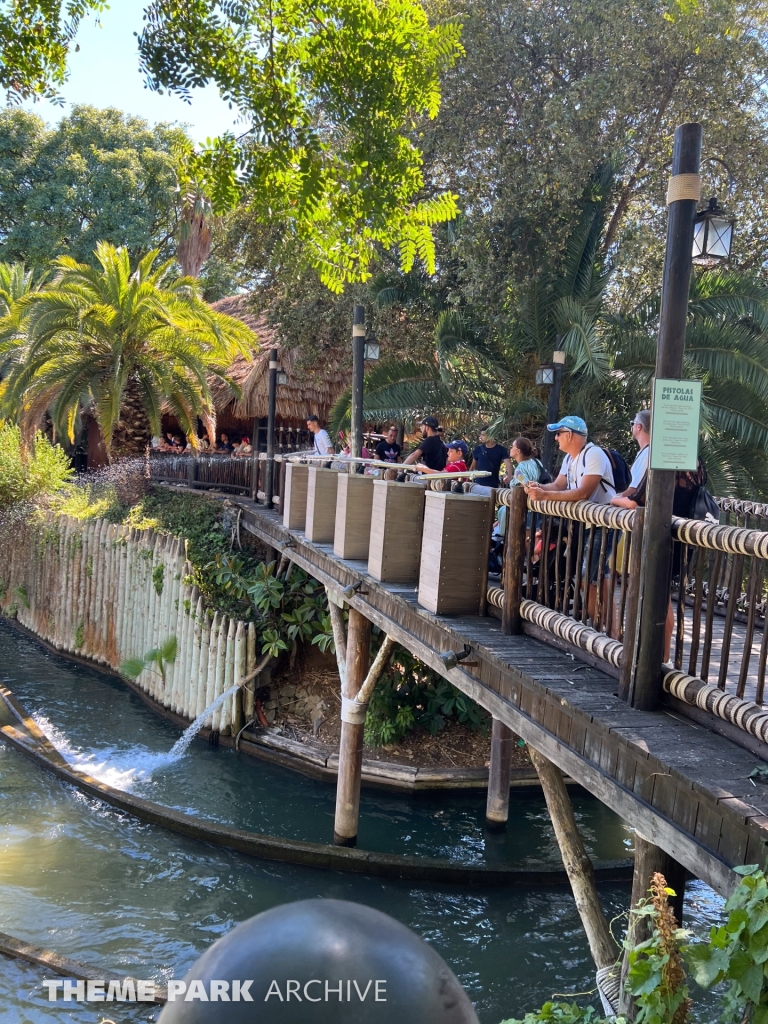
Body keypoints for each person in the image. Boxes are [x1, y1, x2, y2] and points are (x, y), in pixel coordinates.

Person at [527, 415, 615, 622]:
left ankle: (596, 628)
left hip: (602, 525)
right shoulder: (570, 459)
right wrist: (537, 487)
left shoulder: (594, 454)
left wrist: (545, 495)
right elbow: (558, 485)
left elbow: (583, 492)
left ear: (569, 434)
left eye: (558, 434)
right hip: (584, 525)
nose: (556, 438)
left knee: (587, 578)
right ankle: (608, 628)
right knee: (598, 577)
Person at [612, 410, 650, 506]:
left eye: (632, 423)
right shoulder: (645, 452)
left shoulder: (647, 453)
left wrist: (617, 498)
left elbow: (634, 489)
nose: (631, 426)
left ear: (639, 427)